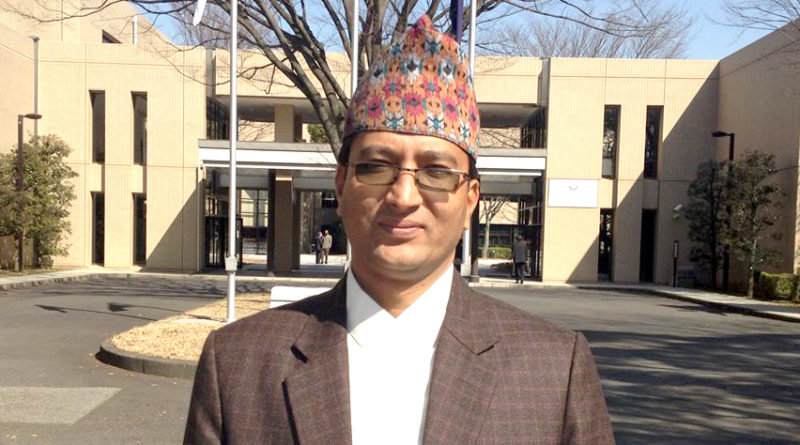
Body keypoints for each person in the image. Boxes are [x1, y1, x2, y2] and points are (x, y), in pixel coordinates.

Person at [185, 16, 614, 445]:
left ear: (470, 200)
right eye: (376, 167)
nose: (404, 196)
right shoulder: (238, 364)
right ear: (341, 186)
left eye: (436, 172)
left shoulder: (554, 370)